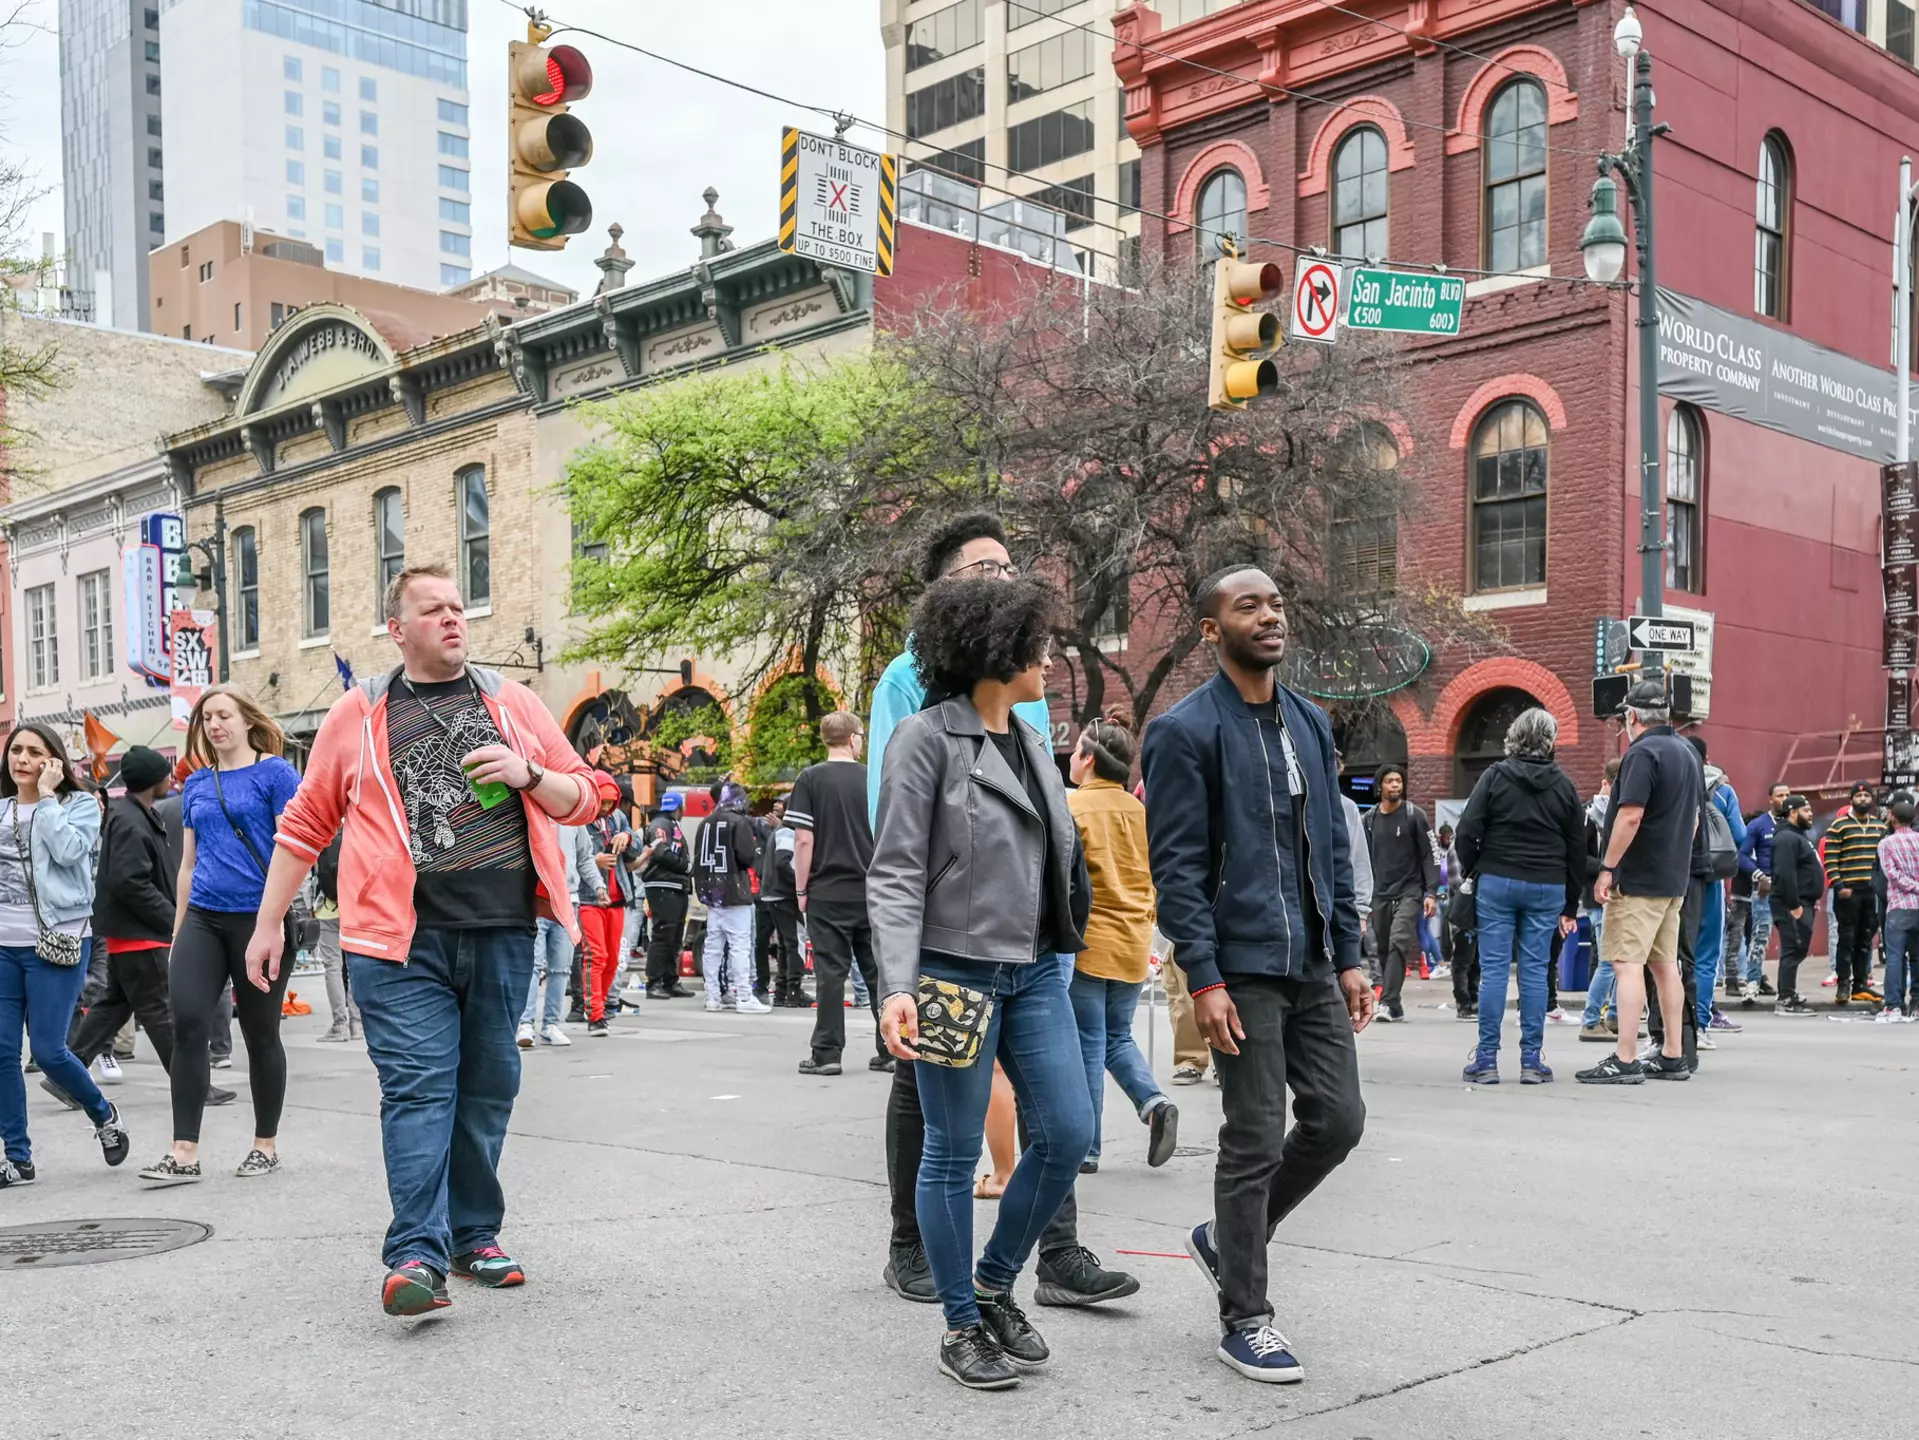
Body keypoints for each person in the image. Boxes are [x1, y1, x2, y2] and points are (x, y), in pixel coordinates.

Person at [243, 563, 598, 1317]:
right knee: (418, 1089)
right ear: (397, 630)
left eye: (458, 607)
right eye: (432, 610)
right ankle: (415, 1253)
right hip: (395, 943)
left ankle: (475, 1235)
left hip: (501, 930)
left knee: (487, 1089)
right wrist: (268, 922)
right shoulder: (359, 711)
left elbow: (585, 797)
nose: (452, 619)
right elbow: (306, 824)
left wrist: (529, 773)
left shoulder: (511, 702)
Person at [865, 513, 1131, 1314]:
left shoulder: (1028, 724)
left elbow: (1050, 836)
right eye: (987, 572)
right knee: (944, 1139)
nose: (1048, 655)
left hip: (1034, 961)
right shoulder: (914, 714)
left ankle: (1019, 1268)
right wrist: (898, 982)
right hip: (953, 963)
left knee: (1067, 1129)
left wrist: (1076, 930)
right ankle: (950, 1299)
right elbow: (898, 854)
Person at [1141, 566, 1369, 1384]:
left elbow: (1331, 851)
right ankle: (1246, 1316)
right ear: (1212, 631)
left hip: (1308, 960)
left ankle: (1224, 1240)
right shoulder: (1183, 731)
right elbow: (1176, 868)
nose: (1269, 616)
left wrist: (1347, 954)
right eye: (1248, 607)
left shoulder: (1309, 722)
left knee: (1338, 1121)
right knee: (1250, 1137)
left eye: (1275, 603)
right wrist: (1202, 977)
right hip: (1237, 968)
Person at [136, 688, 302, 1186]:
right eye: (207, 717)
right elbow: (187, 865)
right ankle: (183, 1151)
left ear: (247, 721)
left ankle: (264, 1144)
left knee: (260, 1031)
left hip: (259, 920)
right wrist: (178, 928)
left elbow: (291, 850)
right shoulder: (196, 784)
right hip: (204, 917)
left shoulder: (276, 773)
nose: (214, 725)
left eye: (224, 715)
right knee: (187, 1020)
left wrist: (272, 919)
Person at [51, 748, 237, 1109]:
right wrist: (173, 919)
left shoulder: (132, 815)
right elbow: (131, 882)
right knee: (163, 1013)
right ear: (155, 780)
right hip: (139, 935)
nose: (172, 779)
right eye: (166, 774)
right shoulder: (132, 821)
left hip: (130, 933)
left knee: (112, 1008)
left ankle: (65, 1079)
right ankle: (193, 1086)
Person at [0, 723, 129, 1188]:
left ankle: (103, 1113)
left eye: (35, 752)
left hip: (57, 941)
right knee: (2, 1052)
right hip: (3, 948)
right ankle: (18, 1158)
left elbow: (71, 852)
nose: (22, 759)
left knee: (51, 1051)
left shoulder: (79, 806)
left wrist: (50, 798)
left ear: (53, 761)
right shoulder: (1, 810)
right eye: (16, 750)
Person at [1066, 716, 1177, 1168]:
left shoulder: (1073, 808)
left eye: (1075, 751)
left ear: (1089, 760)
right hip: (1133, 941)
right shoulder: (1142, 812)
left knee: (1088, 1042)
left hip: (1090, 942)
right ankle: (1153, 1103)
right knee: (1116, 1036)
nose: (1072, 758)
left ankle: (1087, 1149)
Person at [1452, 709, 1583, 1085]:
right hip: (1547, 885)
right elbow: (1577, 847)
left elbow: (1466, 830)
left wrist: (1476, 868)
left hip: (1497, 879)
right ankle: (1531, 1061)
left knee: (1493, 969)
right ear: (1550, 739)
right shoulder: (1563, 785)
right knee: (1535, 972)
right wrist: (1571, 903)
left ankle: (1487, 1059)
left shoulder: (1494, 777)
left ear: (1514, 736)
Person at [1577, 681, 1697, 1085]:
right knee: (1666, 966)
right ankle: (1672, 1054)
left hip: (1639, 877)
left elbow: (1630, 816)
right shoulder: (1686, 752)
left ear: (1632, 716)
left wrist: (1608, 867)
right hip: (1673, 878)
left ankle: (1625, 1058)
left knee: (1625, 964)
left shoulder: (1641, 754)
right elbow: (1694, 820)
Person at [792, 713, 885, 1073]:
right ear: (852, 739)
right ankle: (890, 1049)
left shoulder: (810, 779)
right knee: (877, 972)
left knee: (831, 974)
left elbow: (803, 839)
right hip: (870, 890)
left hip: (827, 891)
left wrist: (801, 889)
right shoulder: (871, 779)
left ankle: (827, 1054)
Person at [1361, 762, 1438, 1022]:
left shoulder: (1414, 815)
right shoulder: (1369, 819)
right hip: (1379, 892)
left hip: (1410, 891)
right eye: (1390, 781)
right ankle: (1396, 1006)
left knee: (1398, 942)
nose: (1395, 785)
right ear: (1380, 786)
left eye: (1398, 781)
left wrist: (1431, 892)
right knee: (1381, 947)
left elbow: (1430, 855)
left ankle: (1387, 1002)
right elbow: (1360, 858)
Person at [1686, 738, 1748, 1043]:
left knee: (1669, 955)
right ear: (1707, 758)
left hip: (1674, 877)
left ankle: (1668, 1029)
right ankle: (1698, 1026)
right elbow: (1739, 834)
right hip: (1710, 879)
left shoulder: (1671, 781)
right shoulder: (1723, 790)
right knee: (1707, 955)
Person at [696, 779, 766, 1014]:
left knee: (713, 946)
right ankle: (744, 996)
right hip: (735, 890)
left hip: (711, 892)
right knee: (739, 945)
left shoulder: (705, 823)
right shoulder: (738, 821)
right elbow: (747, 856)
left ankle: (712, 996)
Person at [517, 825, 586, 1048]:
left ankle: (550, 1024)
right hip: (535, 898)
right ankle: (525, 1023)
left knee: (561, 967)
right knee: (532, 966)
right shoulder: (531, 811)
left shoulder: (573, 821)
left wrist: (599, 885)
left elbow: (585, 856)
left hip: (567, 898)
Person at [576, 771, 631, 1036]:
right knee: (595, 956)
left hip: (617, 896)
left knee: (611, 959)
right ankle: (594, 1014)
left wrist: (628, 837)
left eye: (611, 802)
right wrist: (592, 861)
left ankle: (604, 1008)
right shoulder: (579, 820)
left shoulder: (618, 818)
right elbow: (568, 855)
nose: (607, 807)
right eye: (603, 802)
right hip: (588, 897)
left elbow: (634, 842)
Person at [1823, 782, 1886, 1008]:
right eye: (1858, 795)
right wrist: (1839, 886)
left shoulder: (1880, 826)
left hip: (1870, 891)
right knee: (1846, 939)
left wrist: (1878, 887)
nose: (1862, 799)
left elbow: (1882, 861)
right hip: (1848, 893)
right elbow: (1830, 858)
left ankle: (1860, 986)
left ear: (1872, 799)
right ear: (1851, 799)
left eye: (1866, 795)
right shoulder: (1839, 826)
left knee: (1865, 939)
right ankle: (1843, 985)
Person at [1729, 783, 1788, 1005]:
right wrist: (1758, 875)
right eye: (1780, 795)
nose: (1784, 798)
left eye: (1788, 794)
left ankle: (1787, 988)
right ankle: (1752, 983)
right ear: (1770, 799)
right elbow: (1742, 855)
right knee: (1759, 937)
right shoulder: (1758, 825)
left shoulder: (1794, 824)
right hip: (1766, 888)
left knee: (1791, 940)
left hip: (1789, 889)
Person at [1579, 761, 1622, 1043]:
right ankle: (1591, 1019)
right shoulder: (1590, 816)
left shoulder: (1619, 813)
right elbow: (1580, 859)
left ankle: (1615, 1016)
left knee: (1622, 961)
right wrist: (1609, 868)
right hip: (1598, 897)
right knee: (1609, 962)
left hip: (1614, 895)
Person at [1768, 795, 1823, 1016]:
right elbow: (1784, 874)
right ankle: (1786, 999)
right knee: (1793, 949)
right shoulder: (1787, 839)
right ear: (1793, 812)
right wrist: (1795, 906)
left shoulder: (1796, 836)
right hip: (1791, 905)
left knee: (1797, 949)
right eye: (1806, 810)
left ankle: (1788, 993)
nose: (1811, 814)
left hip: (1802, 902)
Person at [637, 794, 693, 999]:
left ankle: (670, 980)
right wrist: (686, 867)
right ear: (680, 807)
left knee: (675, 935)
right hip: (663, 884)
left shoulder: (669, 824)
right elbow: (660, 852)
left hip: (675, 885)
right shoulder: (660, 825)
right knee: (663, 934)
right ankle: (654, 982)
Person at [753, 797, 804, 1007]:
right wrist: (800, 883)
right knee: (792, 943)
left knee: (785, 944)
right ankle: (792, 990)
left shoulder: (782, 831)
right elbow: (784, 862)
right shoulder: (787, 832)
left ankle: (783, 990)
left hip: (774, 894)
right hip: (783, 895)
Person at [312, 831, 362, 1043]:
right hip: (354, 908)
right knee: (353, 967)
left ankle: (339, 1025)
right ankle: (357, 1025)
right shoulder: (354, 834)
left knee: (332, 966)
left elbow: (313, 877)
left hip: (327, 910)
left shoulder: (322, 839)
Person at [1876, 797, 1919, 1020]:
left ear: (1893, 818)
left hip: (1899, 905)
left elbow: (1891, 874)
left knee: (1895, 956)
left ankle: (1893, 1005)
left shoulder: (1886, 844)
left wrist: (1912, 887)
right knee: (1917, 957)